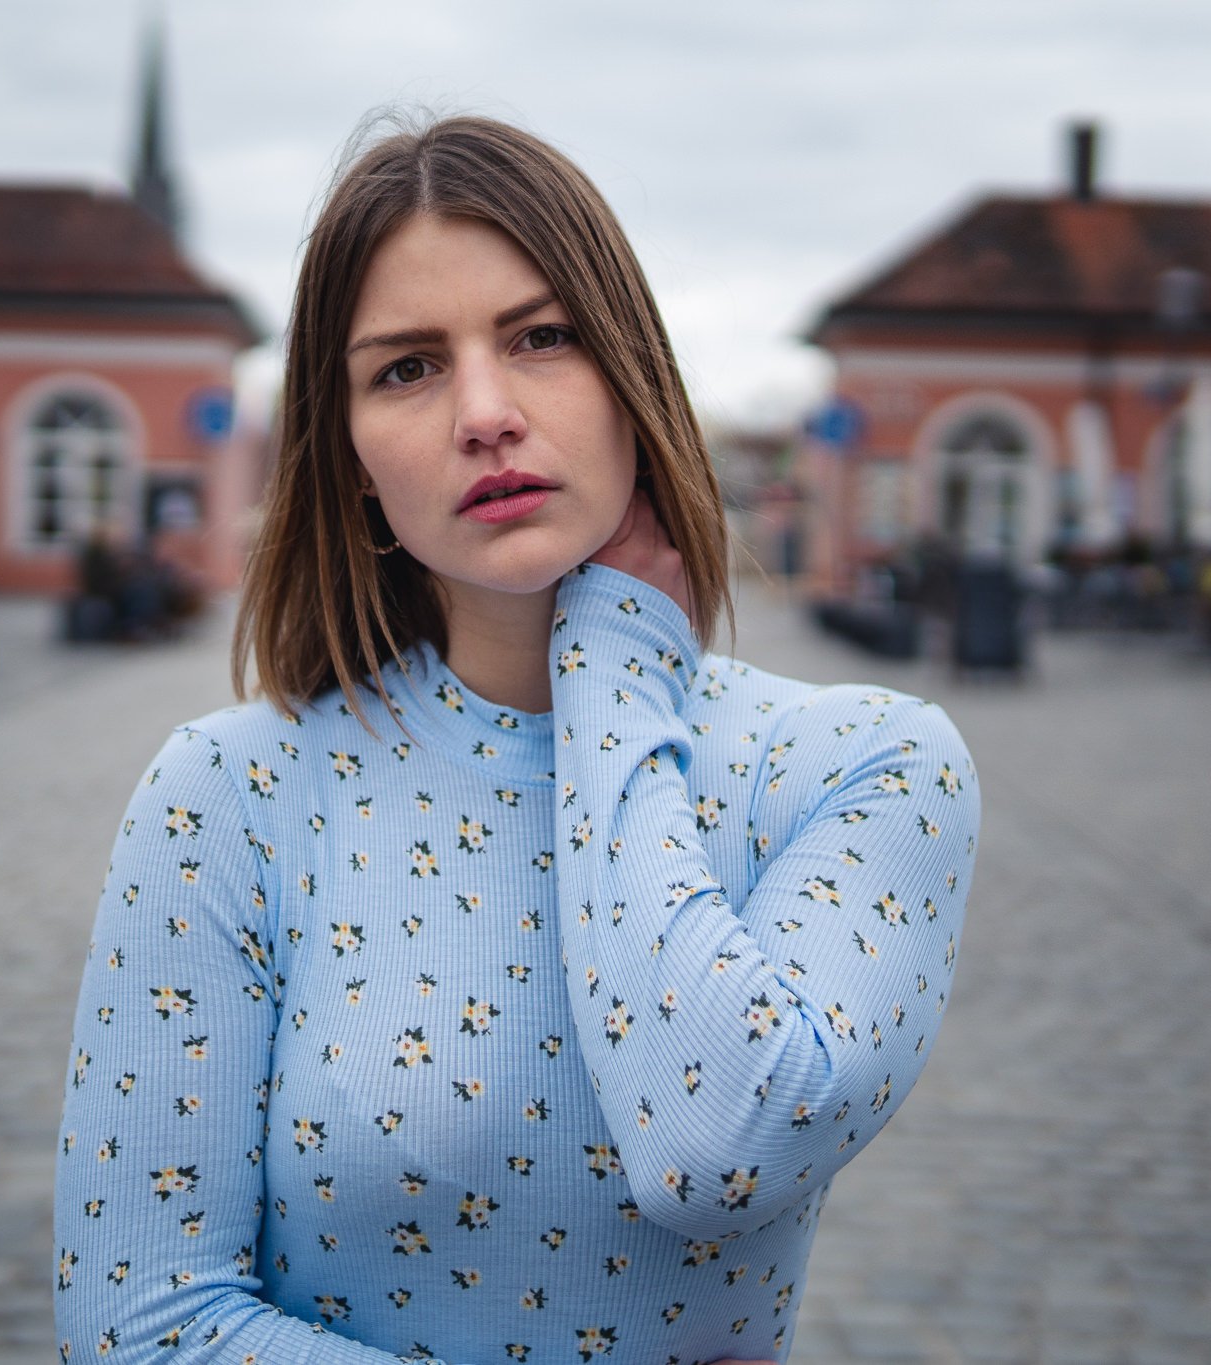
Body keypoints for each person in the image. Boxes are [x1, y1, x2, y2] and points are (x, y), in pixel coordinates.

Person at [54, 115, 979, 1364]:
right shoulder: (228, 794)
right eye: (406, 369)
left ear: (631, 372)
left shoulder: (860, 768)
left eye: (541, 338)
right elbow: (138, 1327)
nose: (484, 414)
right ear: (351, 460)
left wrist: (610, 665)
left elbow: (716, 1148)